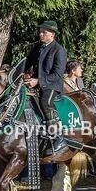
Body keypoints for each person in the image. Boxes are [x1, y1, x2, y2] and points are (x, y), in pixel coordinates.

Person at [23, 20, 70, 162]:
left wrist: (38, 81)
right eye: (40, 31)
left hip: (52, 85)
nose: (41, 34)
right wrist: (21, 73)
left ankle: (58, 137)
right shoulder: (37, 47)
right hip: (36, 83)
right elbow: (27, 62)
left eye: (44, 32)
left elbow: (57, 74)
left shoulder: (59, 50)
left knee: (45, 101)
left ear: (52, 34)